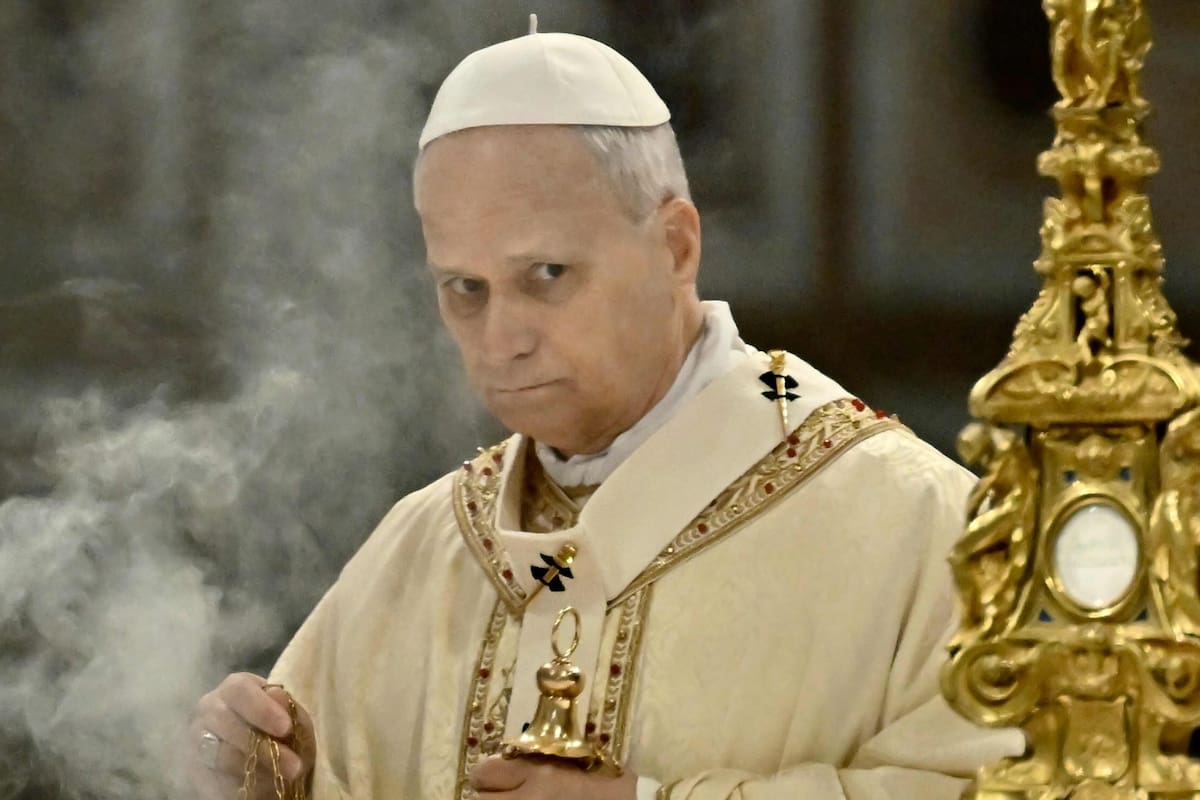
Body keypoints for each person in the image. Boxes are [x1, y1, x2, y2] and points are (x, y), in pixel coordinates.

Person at [188, 23, 1019, 800]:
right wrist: (270, 772)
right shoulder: (419, 548)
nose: (502, 339)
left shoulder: (920, 524)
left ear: (676, 246)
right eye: (463, 289)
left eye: (546, 274)